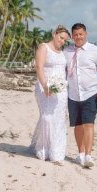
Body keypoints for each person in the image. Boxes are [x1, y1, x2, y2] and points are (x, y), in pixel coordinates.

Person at [64, 23, 97, 168]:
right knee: (77, 126)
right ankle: (80, 153)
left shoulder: (95, 50)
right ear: (72, 36)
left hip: (90, 93)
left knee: (88, 124)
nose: (78, 37)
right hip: (72, 94)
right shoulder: (67, 51)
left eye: (81, 34)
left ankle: (89, 156)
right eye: (76, 35)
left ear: (86, 34)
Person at [30, 25, 70, 163]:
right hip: (45, 87)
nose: (63, 42)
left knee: (58, 119)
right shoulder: (44, 47)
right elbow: (39, 67)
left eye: (65, 40)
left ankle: (56, 152)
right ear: (54, 34)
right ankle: (43, 149)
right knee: (47, 117)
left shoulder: (62, 52)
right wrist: (45, 85)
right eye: (61, 38)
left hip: (60, 90)